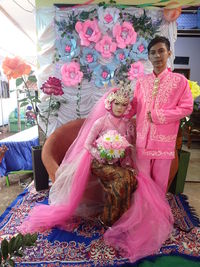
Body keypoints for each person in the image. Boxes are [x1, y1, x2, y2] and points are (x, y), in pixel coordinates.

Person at [19, 85, 173, 263]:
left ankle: (118, 217)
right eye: (117, 104)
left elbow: (128, 148)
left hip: (117, 163)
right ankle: (108, 219)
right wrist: (103, 154)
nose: (120, 108)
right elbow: (87, 144)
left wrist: (126, 161)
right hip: (97, 161)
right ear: (110, 104)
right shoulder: (101, 122)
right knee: (120, 179)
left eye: (124, 105)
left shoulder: (127, 125)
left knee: (129, 178)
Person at [130, 36, 193, 194]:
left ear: (169, 53)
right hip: (142, 142)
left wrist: (159, 115)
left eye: (161, 51)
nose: (157, 56)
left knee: (159, 184)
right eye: (153, 52)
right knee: (141, 183)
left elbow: (187, 107)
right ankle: (142, 213)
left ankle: (155, 217)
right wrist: (120, 106)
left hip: (163, 142)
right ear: (149, 57)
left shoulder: (180, 81)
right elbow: (136, 106)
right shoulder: (141, 82)